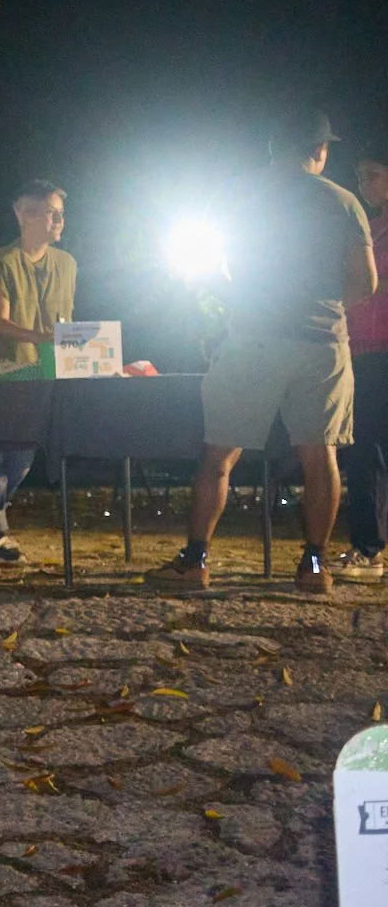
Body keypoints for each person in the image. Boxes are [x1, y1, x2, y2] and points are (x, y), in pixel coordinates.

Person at [148, 111, 378, 593]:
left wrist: (246, 300)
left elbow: (208, 267)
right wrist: (321, 305)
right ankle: (314, 567)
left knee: (219, 455)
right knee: (320, 454)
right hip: (321, 343)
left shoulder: (238, 192)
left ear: (273, 149)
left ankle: (195, 561)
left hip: (253, 338)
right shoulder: (342, 201)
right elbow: (366, 282)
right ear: (319, 150)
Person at [0, 179, 77, 565]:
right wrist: (44, 337)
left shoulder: (66, 265)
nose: (58, 221)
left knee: (20, 461)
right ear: (24, 215)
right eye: (51, 213)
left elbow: (67, 321)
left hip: (35, 375)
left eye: (61, 213)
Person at [333, 154, 388, 581]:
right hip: (363, 349)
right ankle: (369, 546)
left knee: (369, 448)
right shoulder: (370, 227)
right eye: (360, 177)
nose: (364, 184)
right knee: (364, 450)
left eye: (373, 176)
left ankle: (370, 547)